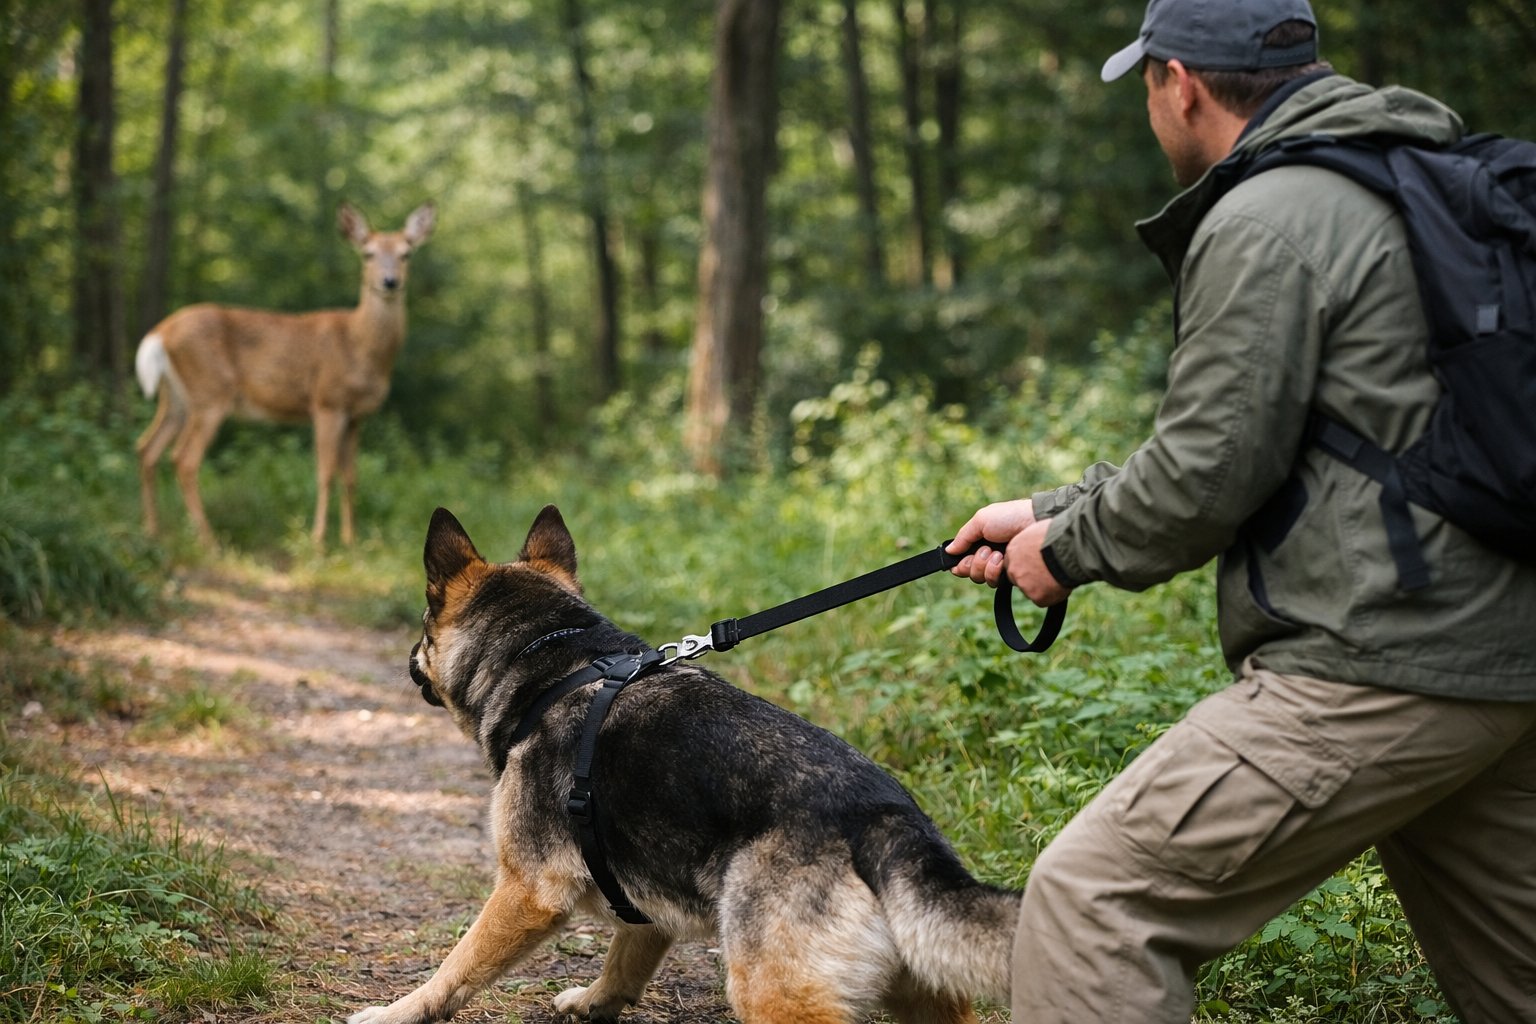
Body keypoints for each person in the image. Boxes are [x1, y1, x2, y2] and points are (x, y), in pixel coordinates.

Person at [946, 1, 1536, 1021]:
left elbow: (1207, 473)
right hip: (1500, 656)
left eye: (1144, 84)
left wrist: (1066, 548)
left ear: (1181, 82)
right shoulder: (1400, 175)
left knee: (1093, 902)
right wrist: (1050, 508)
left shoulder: (1269, 216)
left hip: (1377, 662)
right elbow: (1330, 440)